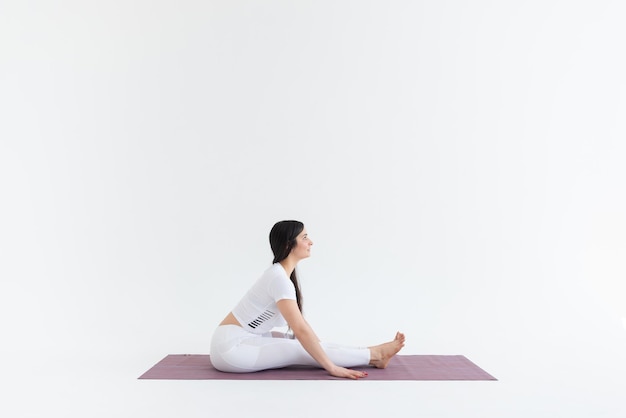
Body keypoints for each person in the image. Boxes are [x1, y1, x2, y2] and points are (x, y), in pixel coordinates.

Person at [210, 220, 405, 380]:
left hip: (238, 342)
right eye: (304, 237)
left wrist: (322, 347)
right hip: (231, 350)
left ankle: (374, 355)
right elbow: (300, 330)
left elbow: (303, 326)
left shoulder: (279, 275)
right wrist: (332, 368)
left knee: (307, 345)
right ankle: (376, 355)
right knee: (299, 347)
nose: (310, 242)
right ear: (288, 245)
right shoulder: (278, 279)